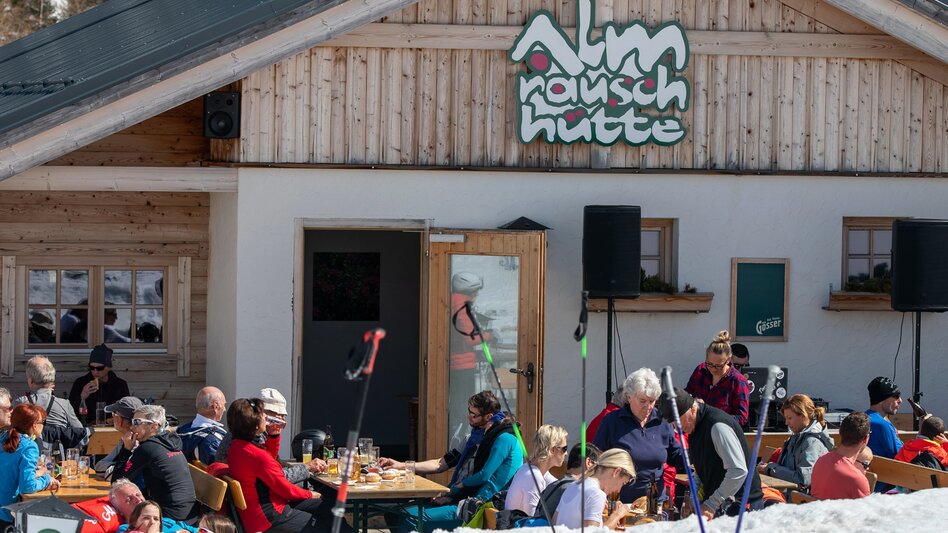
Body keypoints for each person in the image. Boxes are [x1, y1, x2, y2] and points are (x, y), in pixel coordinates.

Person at [381, 390, 524, 533]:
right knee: (393, 514)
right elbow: (441, 463)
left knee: (408, 517)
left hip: (474, 504)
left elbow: (484, 477)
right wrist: (401, 465)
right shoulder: (471, 439)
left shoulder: (499, 440)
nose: (469, 417)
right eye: (469, 412)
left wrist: (452, 492)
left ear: (489, 417)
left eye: (474, 415)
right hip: (459, 496)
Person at [225, 397, 347, 533]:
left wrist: (273, 436)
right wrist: (310, 494)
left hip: (256, 513)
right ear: (254, 424)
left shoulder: (237, 447)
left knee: (330, 508)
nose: (266, 416)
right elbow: (284, 488)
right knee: (327, 525)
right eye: (262, 414)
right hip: (269, 517)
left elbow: (267, 467)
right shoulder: (257, 455)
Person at [659, 387, 763, 519]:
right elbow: (701, 469)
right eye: (672, 422)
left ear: (692, 408)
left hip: (743, 507)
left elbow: (738, 471)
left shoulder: (717, 426)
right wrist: (693, 498)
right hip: (723, 505)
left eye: (678, 420)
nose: (676, 426)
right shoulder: (693, 427)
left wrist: (711, 504)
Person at [594, 367, 683, 503]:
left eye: (652, 401)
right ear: (629, 397)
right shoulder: (612, 422)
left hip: (655, 502)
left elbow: (675, 455)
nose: (648, 406)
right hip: (620, 503)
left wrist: (698, 453)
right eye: (642, 401)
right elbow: (596, 460)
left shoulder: (662, 422)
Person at [215, 387, 325, 483]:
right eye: (278, 414)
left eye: (283, 415)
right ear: (264, 413)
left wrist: (273, 437)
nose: (282, 419)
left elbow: (271, 466)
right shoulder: (250, 436)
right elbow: (275, 477)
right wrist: (307, 467)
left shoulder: (242, 431)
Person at [112, 404, 197, 521]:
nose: (132, 427)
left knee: (120, 510)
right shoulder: (170, 442)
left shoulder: (148, 448)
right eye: (132, 421)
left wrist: (126, 450)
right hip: (190, 513)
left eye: (137, 422)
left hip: (170, 516)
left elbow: (117, 482)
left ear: (154, 427)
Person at [0, 404, 60, 529]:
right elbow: (27, 486)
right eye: (43, 422)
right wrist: (47, 479)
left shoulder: (3, 438)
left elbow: (9, 470)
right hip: (7, 513)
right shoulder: (29, 446)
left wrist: (37, 473)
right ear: (34, 425)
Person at [756, 393, 833, 487]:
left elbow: (803, 479)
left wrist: (770, 468)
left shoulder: (812, 443)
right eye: (785, 418)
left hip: (801, 499)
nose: (786, 423)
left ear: (803, 415)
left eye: (789, 418)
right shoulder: (797, 436)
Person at [448, 271, 488, 449]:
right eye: (476, 292)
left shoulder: (452, 303)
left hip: (455, 362)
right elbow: (471, 338)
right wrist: (490, 336)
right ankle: (460, 440)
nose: (477, 296)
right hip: (463, 364)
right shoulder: (462, 308)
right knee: (465, 404)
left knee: (458, 401)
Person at [552, 448, 635, 529]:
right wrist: (617, 515)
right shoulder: (597, 494)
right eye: (622, 483)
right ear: (616, 472)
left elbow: (554, 523)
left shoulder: (574, 485)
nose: (618, 490)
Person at [685, 330, 750, 427]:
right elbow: (687, 395)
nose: (713, 369)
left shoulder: (738, 381)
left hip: (722, 433)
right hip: (697, 432)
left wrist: (710, 414)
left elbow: (741, 418)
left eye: (718, 366)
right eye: (710, 364)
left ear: (728, 360)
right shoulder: (701, 370)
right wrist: (692, 402)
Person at [83, 478, 196, 533]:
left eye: (138, 494)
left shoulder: (166, 520)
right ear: (120, 511)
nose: (137, 500)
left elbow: (199, 530)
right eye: (128, 499)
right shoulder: (125, 529)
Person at [504, 424, 568, 516]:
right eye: (564, 449)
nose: (566, 453)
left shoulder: (530, 468)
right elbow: (531, 519)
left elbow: (559, 486)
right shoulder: (534, 477)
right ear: (552, 450)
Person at [811, 412, 873, 500]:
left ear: (840, 432)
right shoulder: (857, 479)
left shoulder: (821, 461)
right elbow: (866, 512)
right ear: (866, 439)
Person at [15, 355, 84, 429]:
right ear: (51, 380)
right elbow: (80, 432)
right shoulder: (64, 405)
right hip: (57, 440)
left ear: (31, 381)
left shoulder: (20, 403)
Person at [69, 344, 131, 425]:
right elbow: (70, 411)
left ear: (108, 367)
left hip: (113, 428)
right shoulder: (80, 383)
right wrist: (82, 397)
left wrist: (113, 419)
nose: (95, 371)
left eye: (99, 368)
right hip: (87, 427)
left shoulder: (120, 385)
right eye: (91, 368)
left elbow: (127, 411)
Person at [94, 396, 145, 478]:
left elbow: (108, 473)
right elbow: (100, 466)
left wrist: (115, 467)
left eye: (113, 414)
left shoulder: (134, 442)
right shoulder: (128, 438)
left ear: (118, 420)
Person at [176, 386, 227, 465]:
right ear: (215, 406)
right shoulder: (213, 440)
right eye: (224, 404)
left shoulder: (183, 431)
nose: (224, 409)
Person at [865, 376, 904, 460]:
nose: (900, 400)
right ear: (882, 399)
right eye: (896, 396)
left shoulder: (863, 418)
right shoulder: (882, 425)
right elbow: (900, 457)